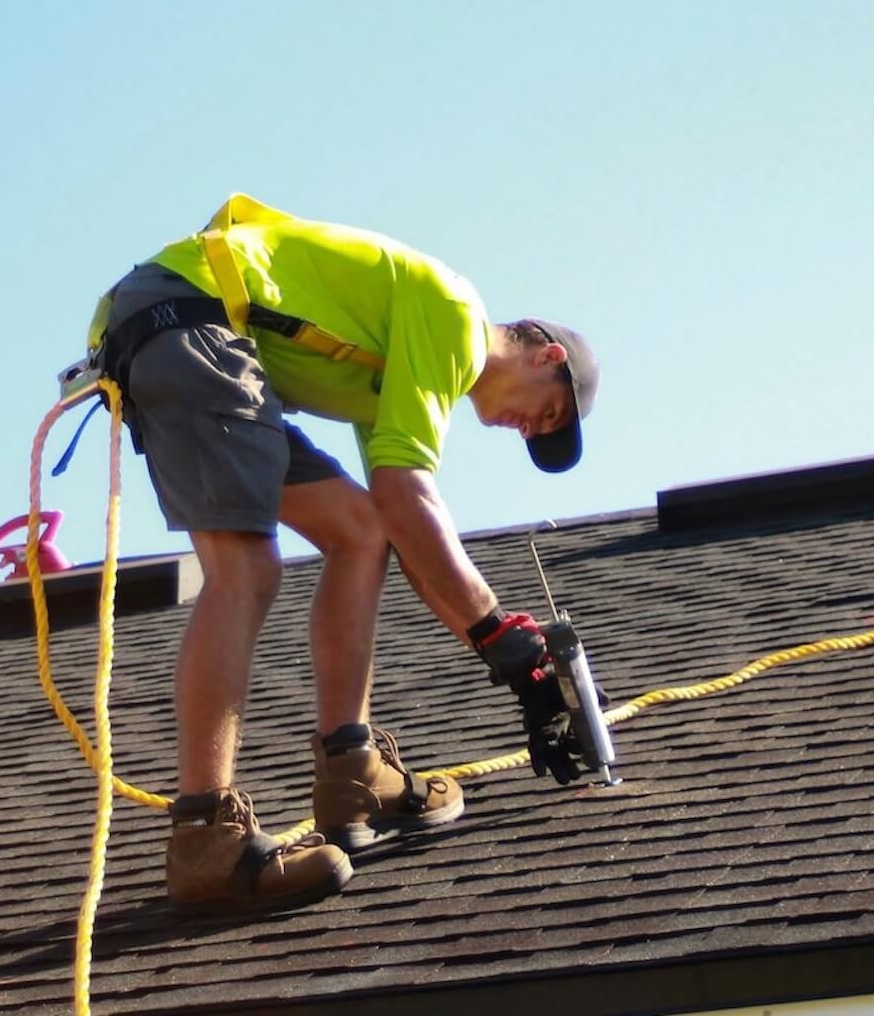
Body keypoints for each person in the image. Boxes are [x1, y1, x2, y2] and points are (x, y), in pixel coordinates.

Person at [83, 194, 600, 917]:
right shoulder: (453, 313)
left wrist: (500, 646)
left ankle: (350, 768)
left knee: (359, 531)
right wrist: (498, 635)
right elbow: (413, 494)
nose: (526, 427)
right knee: (245, 567)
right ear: (548, 354)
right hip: (187, 322)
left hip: (193, 335)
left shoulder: (399, 370)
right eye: (546, 411)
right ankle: (204, 836)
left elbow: (396, 514)